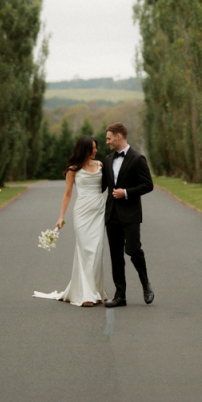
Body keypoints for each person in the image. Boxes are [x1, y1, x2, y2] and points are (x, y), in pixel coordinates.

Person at [33, 135, 107, 306]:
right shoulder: (73, 169)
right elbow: (67, 194)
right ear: (85, 149)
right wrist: (61, 217)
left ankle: (95, 290)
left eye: (96, 147)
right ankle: (86, 294)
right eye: (93, 148)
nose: (96, 151)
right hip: (81, 213)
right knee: (84, 250)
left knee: (96, 251)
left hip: (98, 212)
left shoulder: (100, 165)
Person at [102, 122, 154, 307]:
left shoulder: (138, 159)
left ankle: (146, 285)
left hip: (130, 214)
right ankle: (120, 295)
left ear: (118, 136)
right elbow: (101, 186)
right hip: (112, 215)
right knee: (115, 255)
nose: (107, 142)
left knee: (132, 250)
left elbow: (148, 185)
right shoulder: (108, 160)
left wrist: (126, 192)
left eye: (109, 138)